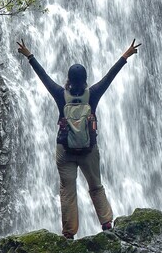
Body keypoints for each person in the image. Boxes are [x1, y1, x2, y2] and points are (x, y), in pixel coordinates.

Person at [16, 37, 141, 239]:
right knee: (96, 186)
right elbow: (110, 76)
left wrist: (29, 55)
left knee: (67, 190)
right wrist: (125, 56)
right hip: (88, 150)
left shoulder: (59, 94)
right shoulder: (92, 94)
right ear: (85, 79)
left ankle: (68, 233)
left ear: (68, 79)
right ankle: (107, 223)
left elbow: (43, 77)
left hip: (64, 150)